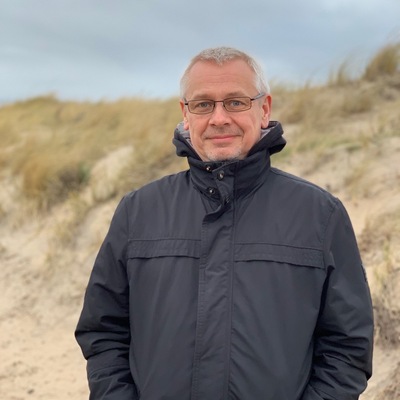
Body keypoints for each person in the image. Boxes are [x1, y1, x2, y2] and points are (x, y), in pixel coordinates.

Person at [75, 47, 374, 400]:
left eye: (235, 102)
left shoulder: (320, 214)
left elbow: (347, 346)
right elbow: (103, 332)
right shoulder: (138, 211)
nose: (219, 118)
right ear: (186, 114)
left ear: (264, 109)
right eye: (203, 104)